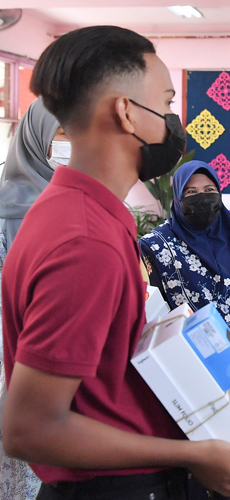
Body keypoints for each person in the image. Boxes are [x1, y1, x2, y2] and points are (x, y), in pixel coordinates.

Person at [1, 25, 230, 500]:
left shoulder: (82, 210)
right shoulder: (85, 241)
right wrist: (191, 456)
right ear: (125, 112)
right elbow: (30, 428)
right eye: (165, 104)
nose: (173, 122)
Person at [140, 160, 230, 500]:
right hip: (182, 376)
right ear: (177, 198)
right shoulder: (155, 247)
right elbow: (147, 317)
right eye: (191, 192)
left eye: (209, 190)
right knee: (190, 472)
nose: (202, 198)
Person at [0, 98, 69, 500]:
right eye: (62, 133)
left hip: (65, 376)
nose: (71, 144)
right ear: (36, 138)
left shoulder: (79, 207)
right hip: (13, 369)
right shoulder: (3, 216)